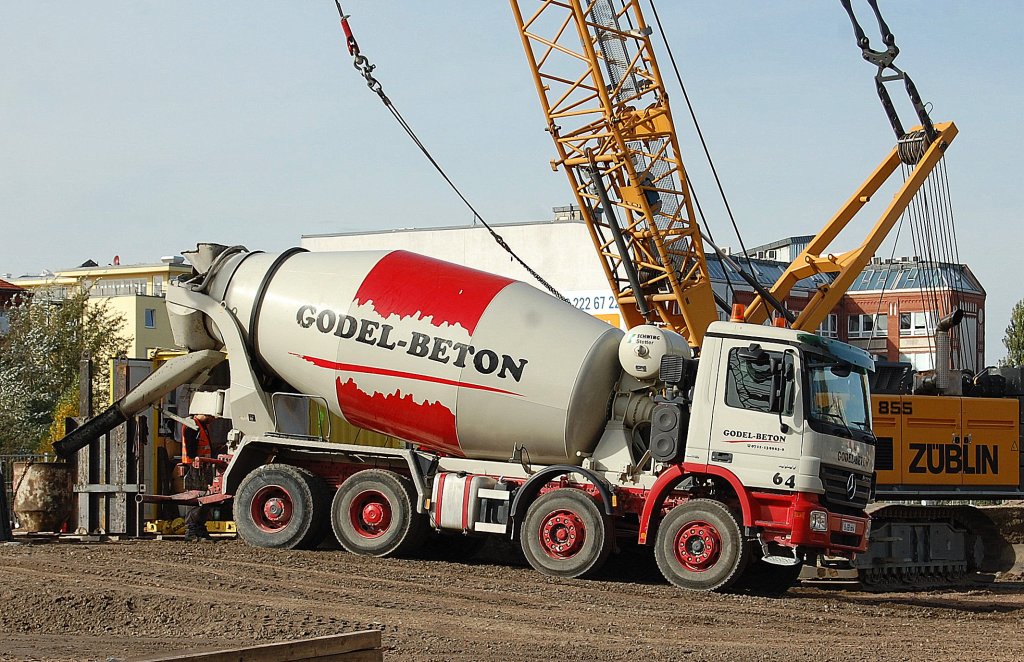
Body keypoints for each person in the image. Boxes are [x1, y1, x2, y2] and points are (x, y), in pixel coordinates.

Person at [182, 414, 215, 542]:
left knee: (205, 499)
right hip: (195, 467)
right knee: (196, 498)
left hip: (201, 465)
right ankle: (192, 530)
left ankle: (199, 528)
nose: (213, 419)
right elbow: (191, 449)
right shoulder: (192, 425)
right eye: (210, 416)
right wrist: (197, 461)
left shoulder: (201, 426)